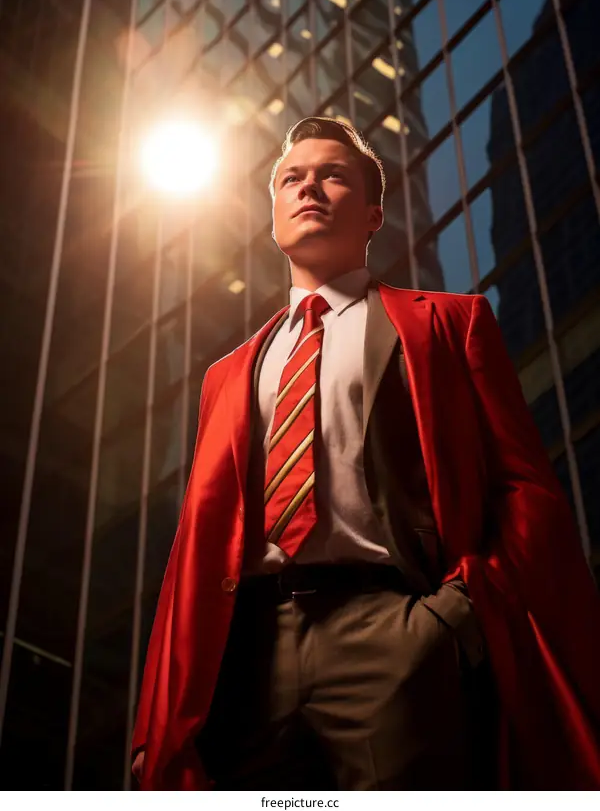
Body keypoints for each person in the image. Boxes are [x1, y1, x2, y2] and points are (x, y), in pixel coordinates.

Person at [131, 117, 600, 790]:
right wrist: (161, 715)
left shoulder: (448, 323)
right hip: (245, 658)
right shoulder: (226, 375)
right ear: (273, 215)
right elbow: (193, 550)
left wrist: (456, 615)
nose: (309, 188)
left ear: (374, 213)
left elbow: (524, 490)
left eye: (333, 175)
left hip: (393, 633)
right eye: (292, 178)